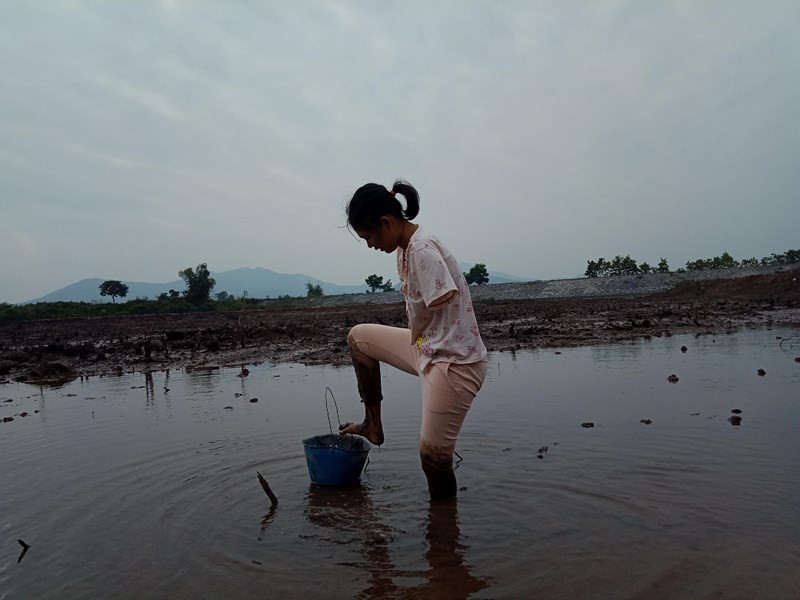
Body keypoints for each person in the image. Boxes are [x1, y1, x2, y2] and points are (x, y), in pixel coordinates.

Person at [339, 179, 488, 499]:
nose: (369, 245)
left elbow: (444, 294)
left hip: (454, 363)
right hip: (427, 347)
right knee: (358, 339)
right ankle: (372, 425)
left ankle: (444, 537)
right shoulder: (404, 247)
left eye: (368, 237)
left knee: (434, 459)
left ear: (386, 223)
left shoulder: (421, 248)